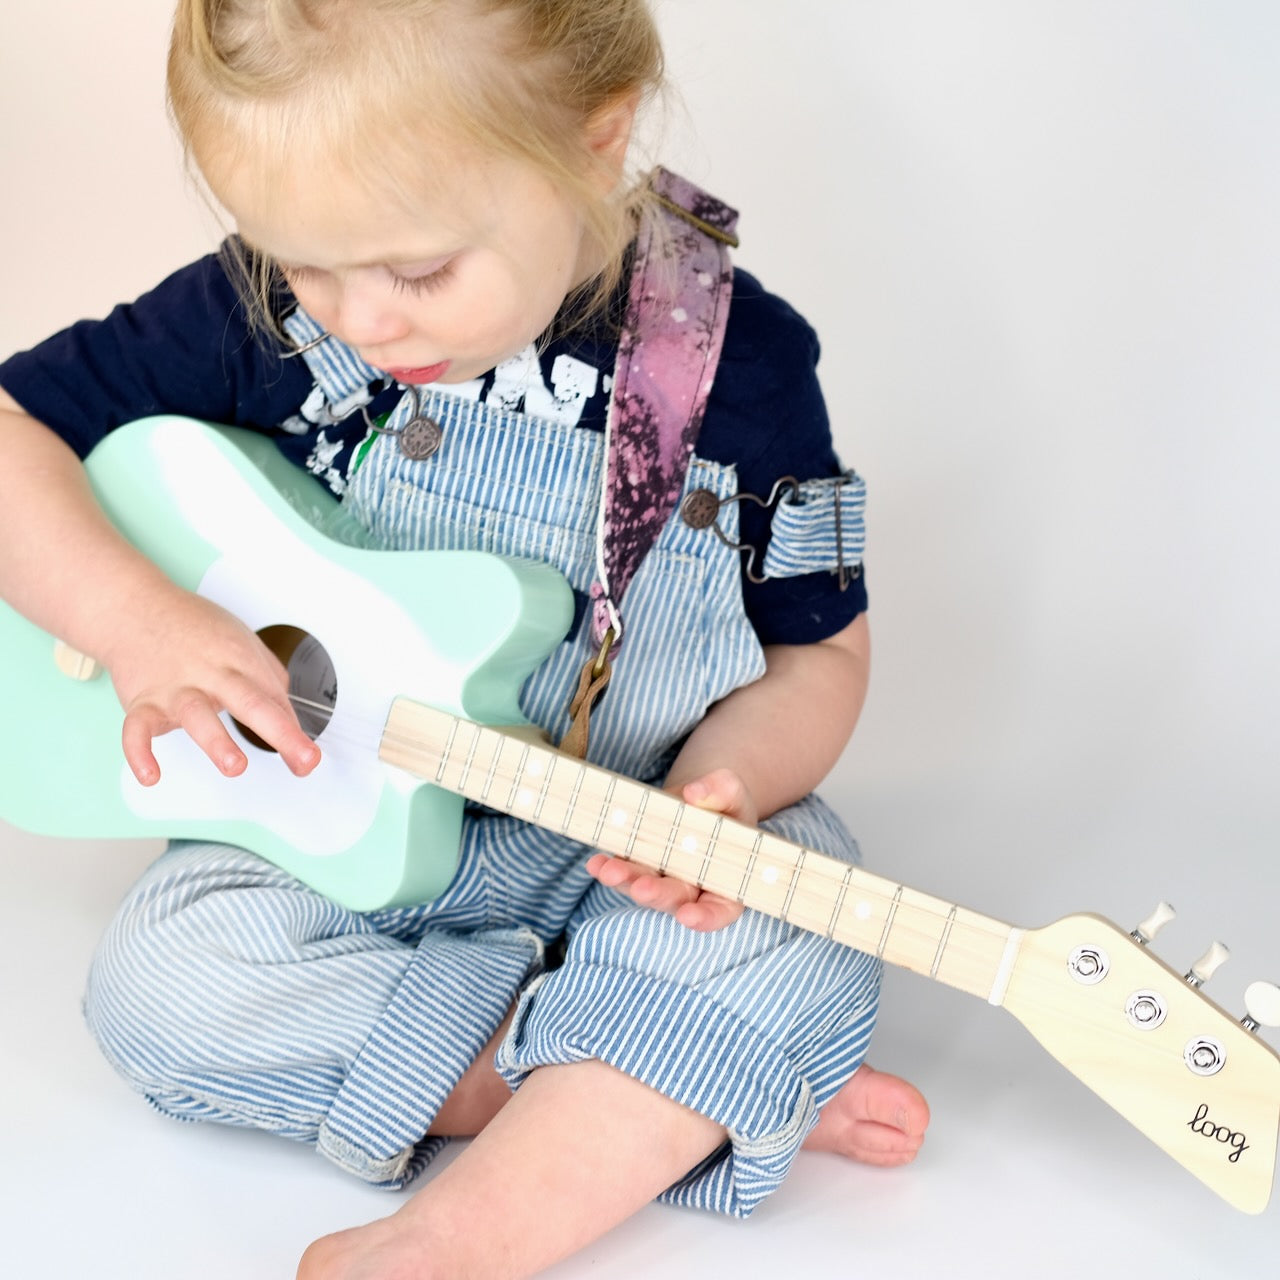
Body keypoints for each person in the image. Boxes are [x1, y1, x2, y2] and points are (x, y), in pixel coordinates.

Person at [0, 1, 929, 1275]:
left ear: (593, 143)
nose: (355, 318)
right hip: (334, 839)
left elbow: (819, 653)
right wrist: (133, 619)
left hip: (621, 844)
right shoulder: (276, 307)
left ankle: (469, 1228)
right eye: (303, 261)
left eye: (417, 271)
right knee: (161, 984)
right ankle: (653, 1088)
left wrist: (733, 795)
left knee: (810, 899)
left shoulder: (743, 369)